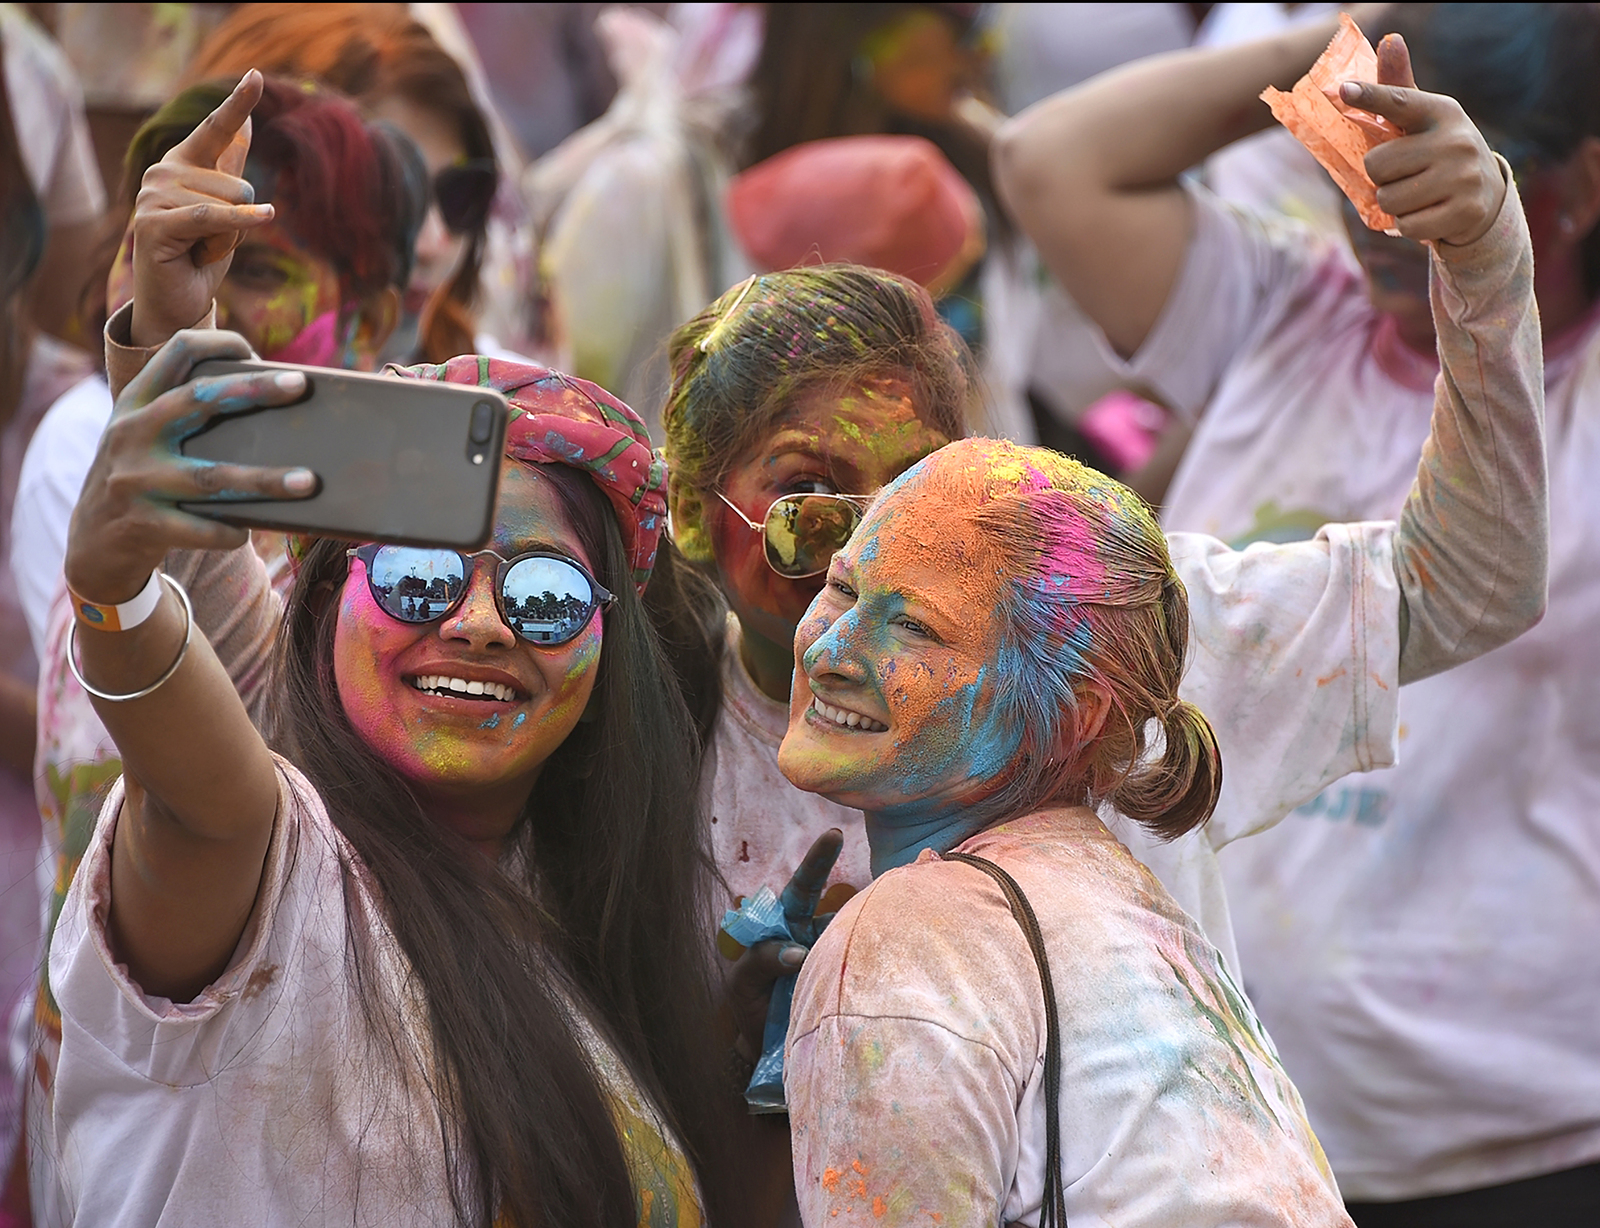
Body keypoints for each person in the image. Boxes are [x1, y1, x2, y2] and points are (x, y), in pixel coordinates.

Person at [38, 69, 734, 1228]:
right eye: (418, 575)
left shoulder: (586, 925)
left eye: (548, 594)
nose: (478, 621)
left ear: (610, 645)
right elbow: (197, 777)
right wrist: (114, 587)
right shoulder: (274, 872)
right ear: (321, 607)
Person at [993, 4, 1600, 1220]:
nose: (1382, 218)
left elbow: (1479, 579)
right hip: (1203, 1118)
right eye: (1352, 163)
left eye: (1430, 175)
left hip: (1504, 1131)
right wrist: (1353, 51)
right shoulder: (1282, 313)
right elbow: (1049, 159)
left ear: (1581, 184)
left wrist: (1484, 248)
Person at [778, 438, 1348, 1226]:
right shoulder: (1134, 905)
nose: (829, 649)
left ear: (1071, 719)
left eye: (914, 628)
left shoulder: (905, 942)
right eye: (843, 587)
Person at [186, 3, 505, 365]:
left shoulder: (511, 390)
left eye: (460, 194)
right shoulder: (132, 387)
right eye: (384, 193)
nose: (432, 243)